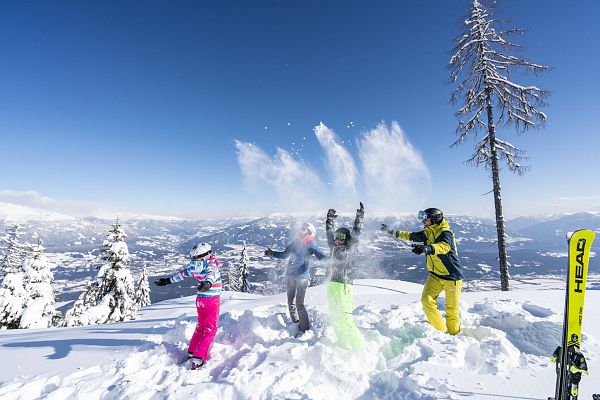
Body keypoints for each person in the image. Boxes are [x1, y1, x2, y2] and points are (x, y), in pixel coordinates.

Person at [380, 208, 464, 335]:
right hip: (435, 275)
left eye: (426, 218)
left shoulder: (445, 233)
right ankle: (440, 333)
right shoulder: (428, 232)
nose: (423, 221)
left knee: (452, 310)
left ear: (435, 219)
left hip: (452, 277)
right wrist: (390, 231)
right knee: (426, 301)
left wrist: (428, 248)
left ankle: (454, 336)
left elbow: (445, 247)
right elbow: (410, 236)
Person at [155, 242, 222, 370]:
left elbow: (182, 274)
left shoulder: (194, 266)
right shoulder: (210, 264)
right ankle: (198, 358)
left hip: (200, 300)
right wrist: (208, 283)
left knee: (201, 326)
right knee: (210, 329)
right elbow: (211, 274)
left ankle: (192, 351)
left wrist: (167, 281)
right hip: (211, 300)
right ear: (205, 256)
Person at [264, 222, 326, 334]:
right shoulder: (295, 243)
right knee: (290, 301)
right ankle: (295, 322)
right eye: (301, 229)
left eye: (305, 229)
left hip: (302, 278)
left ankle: (304, 329)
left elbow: (320, 255)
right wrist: (272, 253)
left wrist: (330, 260)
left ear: (310, 232)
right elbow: (284, 255)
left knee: (299, 304)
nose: (301, 231)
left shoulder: (311, 244)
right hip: (291, 276)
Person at [325, 202, 366, 350]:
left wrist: (359, 217)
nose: (337, 239)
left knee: (345, 319)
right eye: (337, 236)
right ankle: (344, 345)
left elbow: (356, 232)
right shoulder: (334, 247)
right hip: (333, 285)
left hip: (344, 286)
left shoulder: (350, 248)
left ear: (347, 238)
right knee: (335, 317)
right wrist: (329, 220)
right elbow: (329, 234)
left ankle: (359, 348)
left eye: (341, 236)